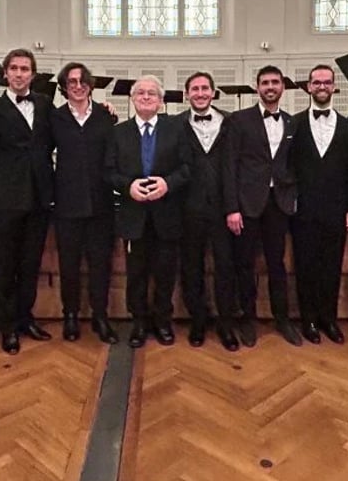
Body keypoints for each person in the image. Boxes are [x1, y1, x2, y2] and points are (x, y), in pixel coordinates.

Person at [0, 49, 55, 355]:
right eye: (14, 68)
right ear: (6, 74)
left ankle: (26, 318)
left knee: (30, 263)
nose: (20, 73)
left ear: (33, 75)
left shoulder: (46, 105)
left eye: (25, 68)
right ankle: (7, 326)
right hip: (5, 199)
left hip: (38, 198)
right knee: (5, 264)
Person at [106, 75, 190, 348]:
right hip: (134, 215)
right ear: (132, 99)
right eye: (140, 93)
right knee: (137, 274)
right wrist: (127, 186)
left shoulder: (177, 128)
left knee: (166, 273)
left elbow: (188, 168)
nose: (145, 97)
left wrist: (168, 183)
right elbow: (108, 172)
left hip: (167, 214)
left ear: (161, 101)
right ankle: (139, 322)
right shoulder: (118, 132)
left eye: (151, 93)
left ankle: (163, 321)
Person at [223, 65, 301, 347]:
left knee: (277, 264)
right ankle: (247, 318)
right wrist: (232, 208)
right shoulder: (238, 120)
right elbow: (229, 166)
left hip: (278, 205)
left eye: (275, 82)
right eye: (265, 82)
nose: (270, 86)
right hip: (246, 204)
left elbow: (295, 165)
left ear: (282, 87)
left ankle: (282, 319)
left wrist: (291, 194)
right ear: (257, 87)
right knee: (244, 264)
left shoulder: (293, 122)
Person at [290, 64, 348, 345]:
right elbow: (287, 168)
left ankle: (328, 319)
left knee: (332, 267)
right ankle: (307, 319)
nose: (321, 86)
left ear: (334, 87)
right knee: (305, 267)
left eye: (327, 82)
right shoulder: (293, 123)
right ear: (308, 86)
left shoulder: (347, 126)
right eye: (316, 82)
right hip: (302, 210)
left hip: (336, 209)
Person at [50, 62, 119, 344]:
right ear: (64, 87)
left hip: (100, 204)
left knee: (100, 264)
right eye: (71, 82)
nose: (77, 87)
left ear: (90, 85)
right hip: (66, 204)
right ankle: (70, 316)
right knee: (69, 265)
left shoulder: (106, 117)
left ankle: (100, 316)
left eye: (81, 82)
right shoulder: (53, 118)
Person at [178, 72, 238, 350]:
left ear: (213, 93)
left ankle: (226, 324)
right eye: (195, 89)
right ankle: (198, 321)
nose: (200, 93)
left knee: (226, 266)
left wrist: (233, 207)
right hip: (188, 209)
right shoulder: (176, 124)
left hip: (224, 208)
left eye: (205, 88)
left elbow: (236, 168)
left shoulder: (231, 122)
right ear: (187, 94)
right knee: (192, 267)